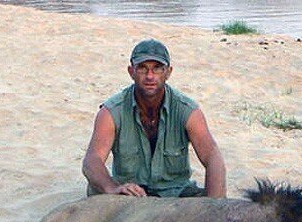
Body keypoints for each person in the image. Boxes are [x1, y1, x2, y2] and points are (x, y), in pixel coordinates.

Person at [82, 39, 226, 198]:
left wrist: (214, 203)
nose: (150, 76)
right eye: (142, 68)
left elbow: (213, 157)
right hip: (130, 195)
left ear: (168, 72)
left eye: (157, 69)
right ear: (131, 72)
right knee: (96, 191)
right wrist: (112, 188)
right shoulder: (111, 112)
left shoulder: (188, 111)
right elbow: (92, 160)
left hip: (175, 194)